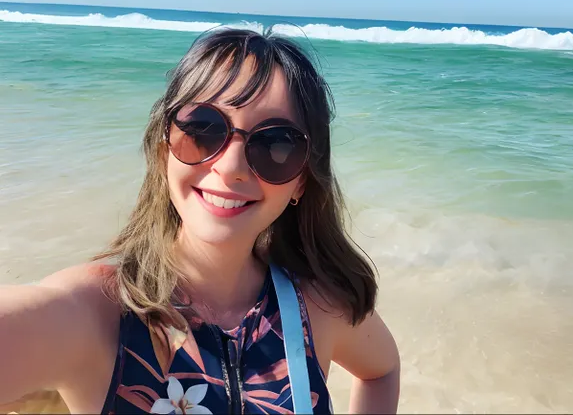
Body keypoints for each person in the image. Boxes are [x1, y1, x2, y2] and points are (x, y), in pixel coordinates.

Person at [0, 27, 400, 414]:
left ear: (302, 183)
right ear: (163, 153)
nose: (230, 167)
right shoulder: (97, 312)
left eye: (276, 143)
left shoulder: (317, 307)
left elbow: (381, 371)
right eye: (202, 129)